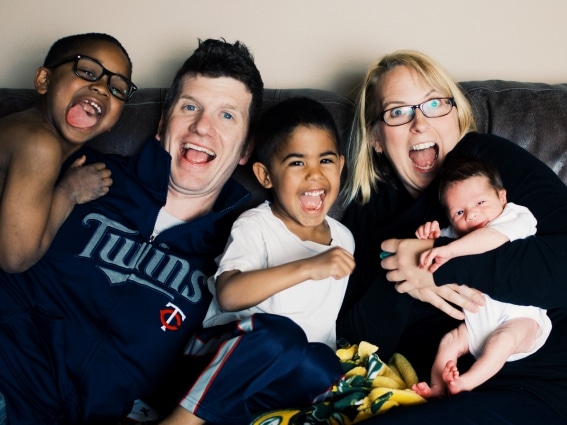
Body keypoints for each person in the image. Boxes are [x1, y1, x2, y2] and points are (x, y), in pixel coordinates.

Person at [0, 38, 265, 425]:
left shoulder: (247, 245)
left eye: (227, 116)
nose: (202, 127)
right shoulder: (79, 167)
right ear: (161, 124)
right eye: (189, 107)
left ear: (246, 149)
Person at [336, 49, 567, 424]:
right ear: (376, 138)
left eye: (433, 104)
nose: (419, 124)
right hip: (444, 395)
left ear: (456, 115)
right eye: (398, 112)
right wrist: (404, 277)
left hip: (541, 384)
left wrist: (435, 262)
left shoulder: (491, 165)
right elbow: (359, 340)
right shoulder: (370, 214)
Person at [160, 96, 354, 425]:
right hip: (217, 361)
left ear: (341, 164)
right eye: (297, 163)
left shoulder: (344, 237)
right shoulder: (256, 225)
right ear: (265, 176)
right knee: (283, 337)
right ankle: (182, 419)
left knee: (324, 364)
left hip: (272, 380)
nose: (314, 175)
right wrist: (308, 267)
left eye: (325, 161)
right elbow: (229, 294)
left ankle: (229, 416)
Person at [411, 157, 551, 398]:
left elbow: (490, 239)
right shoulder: (456, 234)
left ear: (502, 197)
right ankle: (437, 386)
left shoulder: (516, 216)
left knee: (503, 340)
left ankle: (466, 382)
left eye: (480, 202)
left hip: (522, 320)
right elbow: (426, 252)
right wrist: (429, 238)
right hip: (476, 323)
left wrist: (448, 249)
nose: (473, 215)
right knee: (450, 341)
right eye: (460, 212)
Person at [0, 32, 135, 272]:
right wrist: (70, 191)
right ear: (44, 80)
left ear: (114, 121)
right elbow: (15, 258)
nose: (102, 88)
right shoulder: (38, 143)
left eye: (117, 89)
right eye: (87, 72)